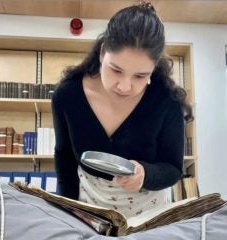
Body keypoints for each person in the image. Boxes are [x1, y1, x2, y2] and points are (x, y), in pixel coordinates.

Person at [51, 2, 193, 218]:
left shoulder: (166, 101)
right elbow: (64, 157)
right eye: (116, 70)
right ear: (102, 54)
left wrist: (145, 174)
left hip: (148, 212)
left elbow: (173, 168)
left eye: (140, 76)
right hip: (88, 208)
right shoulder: (67, 95)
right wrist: (66, 213)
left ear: (153, 70)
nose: (125, 86)